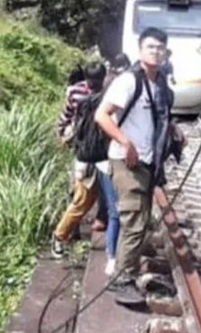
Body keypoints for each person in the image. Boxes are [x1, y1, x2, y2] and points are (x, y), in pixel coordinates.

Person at [95, 27, 174, 304]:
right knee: (134, 222)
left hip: (147, 163)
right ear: (140, 50)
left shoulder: (160, 83)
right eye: (151, 47)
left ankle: (126, 271)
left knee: (140, 221)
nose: (156, 51)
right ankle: (120, 279)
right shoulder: (129, 81)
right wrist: (125, 142)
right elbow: (101, 116)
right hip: (125, 161)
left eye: (161, 47)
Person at [51, 62, 118, 258]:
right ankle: (60, 235)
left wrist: (60, 133)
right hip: (100, 156)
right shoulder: (109, 95)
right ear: (104, 76)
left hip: (83, 153)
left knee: (81, 199)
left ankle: (68, 234)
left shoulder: (75, 92)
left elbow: (65, 116)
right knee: (84, 201)